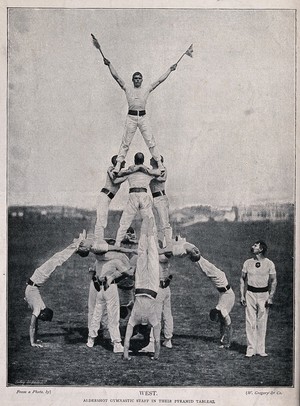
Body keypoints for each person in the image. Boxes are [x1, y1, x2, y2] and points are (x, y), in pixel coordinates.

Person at [103, 57, 177, 173]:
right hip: (131, 118)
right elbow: (116, 77)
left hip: (143, 117)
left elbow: (159, 81)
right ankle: (118, 165)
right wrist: (109, 65)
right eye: (135, 78)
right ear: (132, 80)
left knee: (150, 141)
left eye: (139, 78)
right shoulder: (127, 88)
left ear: (142, 80)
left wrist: (170, 70)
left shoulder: (147, 88)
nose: (137, 80)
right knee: (125, 143)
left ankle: (159, 163)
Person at [161, 238, 235, 348]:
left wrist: (228, 343)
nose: (215, 321)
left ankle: (188, 248)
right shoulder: (221, 310)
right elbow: (227, 325)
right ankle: (222, 338)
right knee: (205, 267)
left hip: (224, 288)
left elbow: (230, 327)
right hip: (224, 290)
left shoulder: (222, 311)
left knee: (205, 268)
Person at [24, 231, 86, 347]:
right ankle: (77, 244)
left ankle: (76, 244)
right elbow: (33, 326)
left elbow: (34, 325)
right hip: (38, 279)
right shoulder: (38, 309)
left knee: (58, 259)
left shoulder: (39, 309)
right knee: (58, 259)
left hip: (37, 280)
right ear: (43, 313)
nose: (40, 320)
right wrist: (33, 342)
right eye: (43, 319)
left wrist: (35, 340)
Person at [123, 216, 161, 361]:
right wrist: (126, 353)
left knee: (149, 255)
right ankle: (147, 225)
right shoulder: (136, 319)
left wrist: (156, 355)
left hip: (148, 288)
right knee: (145, 254)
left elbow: (157, 340)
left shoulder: (147, 319)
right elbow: (156, 340)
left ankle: (148, 226)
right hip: (143, 288)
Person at [86, 251, 135, 353]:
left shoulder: (99, 260)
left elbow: (92, 272)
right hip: (110, 288)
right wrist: (129, 268)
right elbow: (130, 273)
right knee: (113, 316)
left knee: (97, 313)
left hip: (100, 289)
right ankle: (117, 344)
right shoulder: (116, 261)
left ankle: (91, 339)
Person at [114, 152, 161, 246]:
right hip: (143, 195)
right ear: (143, 160)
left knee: (125, 220)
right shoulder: (147, 171)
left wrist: (137, 168)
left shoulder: (131, 170)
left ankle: (117, 243)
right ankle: (154, 243)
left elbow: (118, 174)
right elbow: (159, 172)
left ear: (135, 160)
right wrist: (142, 168)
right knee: (149, 220)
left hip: (134, 195)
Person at [240, 240, 277, 357]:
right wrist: (242, 295)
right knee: (250, 321)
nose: (252, 247)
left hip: (263, 295)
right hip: (250, 293)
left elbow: (274, 280)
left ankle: (260, 349)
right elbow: (242, 279)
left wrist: (270, 297)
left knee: (262, 322)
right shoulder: (247, 262)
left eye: (255, 245)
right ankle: (250, 349)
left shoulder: (269, 263)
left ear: (261, 249)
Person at [139, 253, 174, 353]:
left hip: (158, 289)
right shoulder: (166, 258)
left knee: (156, 316)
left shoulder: (157, 257)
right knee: (167, 314)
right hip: (166, 287)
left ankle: (152, 343)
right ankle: (168, 339)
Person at [94, 155, 127, 243]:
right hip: (105, 196)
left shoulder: (118, 172)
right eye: (122, 161)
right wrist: (126, 177)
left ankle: (99, 239)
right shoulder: (112, 169)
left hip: (107, 197)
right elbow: (114, 181)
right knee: (101, 219)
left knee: (102, 218)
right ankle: (98, 240)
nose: (125, 162)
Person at [149, 156, 173, 248]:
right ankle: (159, 243)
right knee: (157, 224)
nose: (150, 159)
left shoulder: (162, 169)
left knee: (164, 223)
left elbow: (162, 179)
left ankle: (169, 244)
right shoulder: (151, 171)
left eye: (152, 159)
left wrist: (151, 175)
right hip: (155, 198)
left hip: (161, 197)